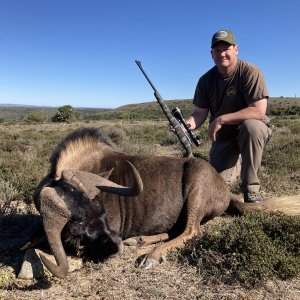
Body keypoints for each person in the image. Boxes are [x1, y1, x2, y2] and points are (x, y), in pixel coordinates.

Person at [185, 29, 273, 203]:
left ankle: (251, 190)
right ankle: (236, 159)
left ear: (236, 49)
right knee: (214, 190)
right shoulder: (205, 80)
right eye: (217, 50)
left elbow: (258, 111)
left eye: (226, 49)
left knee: (251, 127)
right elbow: (199, 114)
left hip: (251, 131)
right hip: (224, 137)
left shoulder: (251, 71)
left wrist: (221, 119)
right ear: (211, 54)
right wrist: (185, 125)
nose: (222, 54)